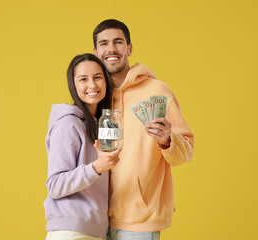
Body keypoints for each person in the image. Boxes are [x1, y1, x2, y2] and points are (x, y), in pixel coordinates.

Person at [92, 19, 195, 239]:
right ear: (95, 51)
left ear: (129, 48)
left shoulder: (157, 91)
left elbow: (187, 149)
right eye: (104, 43)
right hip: (95, 217)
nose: (111, 49)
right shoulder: (95, 95)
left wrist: (168, 141)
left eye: (118, 42)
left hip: (139, 220)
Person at [44, 53, 122, 240]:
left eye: (97, 77)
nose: (92, 85)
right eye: (83, 79)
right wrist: (96, 168)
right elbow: (54, 185)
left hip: (94, 231)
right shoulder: (68, 124)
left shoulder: (102, 124)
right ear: (74, 85)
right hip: (72, 232)